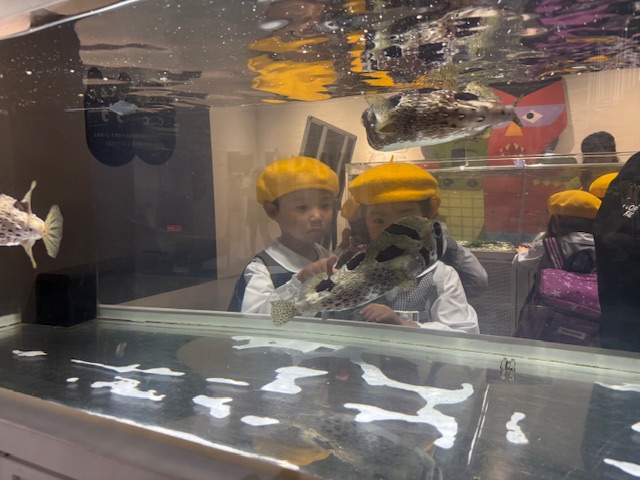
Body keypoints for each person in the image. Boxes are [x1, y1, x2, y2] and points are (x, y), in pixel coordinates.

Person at [334, 161, 480, 333]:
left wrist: (403, 324)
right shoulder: (352, 272)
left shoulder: (441, 277)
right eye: (379, 220)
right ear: (365, 225)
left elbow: (464, 332)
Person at [228, 156, 339, 313]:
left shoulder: (327, 258)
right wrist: (299, 282)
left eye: (325, 205)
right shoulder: (262, 269)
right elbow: (255, 320)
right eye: (303, 207)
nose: (317, 216)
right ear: (272, 211)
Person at [513, 190, 601, 275]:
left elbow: (521, 264)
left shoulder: (547, 245)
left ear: (555, 220)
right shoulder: (604, 246)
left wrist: (522, 252)